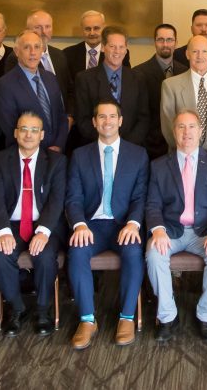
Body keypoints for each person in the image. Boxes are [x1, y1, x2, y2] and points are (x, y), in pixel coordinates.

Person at [145, 110, 207, 343]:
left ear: (200, 131)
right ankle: (168, 316)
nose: (187, 132)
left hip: (204, 232)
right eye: (181, 127)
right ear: (174, 132)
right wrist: (158, 229)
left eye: (192, 126)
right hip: (170, 231)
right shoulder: (159, 166)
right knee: (154, 254)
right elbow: (152, 204)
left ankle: (205, 314)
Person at [65, 100, 148, 349]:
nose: (107, 121)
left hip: (124, 224)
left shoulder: (138, 154)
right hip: (91, 225)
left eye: (112, 116)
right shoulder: (80, 156)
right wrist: (79, 225)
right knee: (76, 251)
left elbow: (140, 196)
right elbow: (73, 198)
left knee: (133, 252)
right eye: (102, 117)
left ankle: (127, 317)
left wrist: (133, 224)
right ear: (94, 122)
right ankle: (87, 320)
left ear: (120, 121)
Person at [0, 112, 67, 338]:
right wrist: (2, 231)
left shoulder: (56, 162)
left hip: (43, 224)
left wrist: (43, 232)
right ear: (15, 133)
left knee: (45, 255)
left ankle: (43, 309)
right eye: (23, 129)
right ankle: (16, 308)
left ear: (42, 135)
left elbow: (56, 201)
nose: (28, 135)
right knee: (0, 256)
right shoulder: (0, 160)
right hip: (12, 225)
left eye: (34, 130)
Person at [72, 25, 149, 150]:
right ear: (103, 47)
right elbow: (82, 120)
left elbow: (144, 118)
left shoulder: (138, 78)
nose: (117, 51)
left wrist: (125, 145)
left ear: (126, 49)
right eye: (112, 46)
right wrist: (106, 142)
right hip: (97, 148)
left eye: (121, 47)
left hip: (131, 148)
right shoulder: (85, 79)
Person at [0, 31, 69, 152]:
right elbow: (10, 128)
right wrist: (39, 154)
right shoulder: (4, 85)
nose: (33, 52)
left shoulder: (50, 78)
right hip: (27, 154)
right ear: (17, 51)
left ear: (42, 50)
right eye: (27, 47)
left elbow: (61, 116)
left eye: (37, 47)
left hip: (57, 153)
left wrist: (58, 145)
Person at [160, 36, 207, 154]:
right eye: (195, 51)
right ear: (187, 54)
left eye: (204, 51)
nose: (200, 56)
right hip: (181, 156)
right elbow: (168, 127)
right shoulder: (170, 85)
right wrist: (188, 153)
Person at [133, 23, 188, 157]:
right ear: (155, 42)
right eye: (160, 40)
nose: (165, 44)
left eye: (169, 40)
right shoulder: (138, 73)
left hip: (181, 144)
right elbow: (138, 113)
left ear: (176, 43)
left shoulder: (185, 72)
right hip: (151, 146)